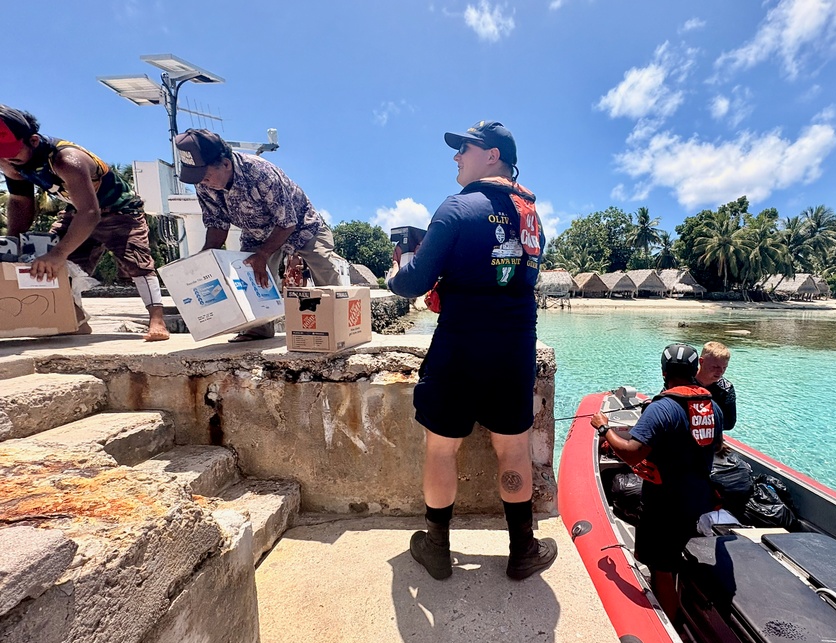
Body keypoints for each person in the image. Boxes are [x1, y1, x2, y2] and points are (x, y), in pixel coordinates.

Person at [387, 120, 554, 581]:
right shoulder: (531, 214)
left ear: (493, 155)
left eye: (465, 148)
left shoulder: (457, 209)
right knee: (513, 449)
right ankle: (522, 549)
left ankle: (437, 549)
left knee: (442, 449)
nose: (457, 156)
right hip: (513, 346)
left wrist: (395, 270)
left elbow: (414, 282)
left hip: (459, 345)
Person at [0, 105, 170, 341]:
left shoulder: (67, 159)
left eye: (13, 152)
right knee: (45, 260)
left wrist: (58, 253)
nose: (8, 159)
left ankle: (157, 321)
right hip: (76, 208)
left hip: (120, 209)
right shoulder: (9, 162)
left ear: (34, 141)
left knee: (137, 262)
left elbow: (91, 213)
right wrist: (13, 244)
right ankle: (74, 319)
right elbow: (21, 201)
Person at [173, 128, 346, 342]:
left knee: (323, 265)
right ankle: (259, 329)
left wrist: (263, 255)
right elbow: (217, 224)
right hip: (256, 232)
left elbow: (287, 222)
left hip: (301, 226)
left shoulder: (260, 172)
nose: (202, 183)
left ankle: (340, 321)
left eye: (206, 176)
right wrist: (205, 259)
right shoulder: (204, 185)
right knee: (249, 274)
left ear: (225, 164)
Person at [591, 343, 723, 619]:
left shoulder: (662, 409)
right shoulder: (712, 406)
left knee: (661, 567)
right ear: (694, 370)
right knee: (670, 556)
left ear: (664, 372)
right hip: (698, 497)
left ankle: (669, 624)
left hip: (666, 504)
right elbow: (714, 445)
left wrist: (604, 429)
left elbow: (631, 454)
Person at [696, 341, 737, 431]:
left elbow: (729, 423)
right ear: (701, 361)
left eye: (724, 368)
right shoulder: (684, 380)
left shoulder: (726, 389)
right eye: (715, 367)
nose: (720, 372)